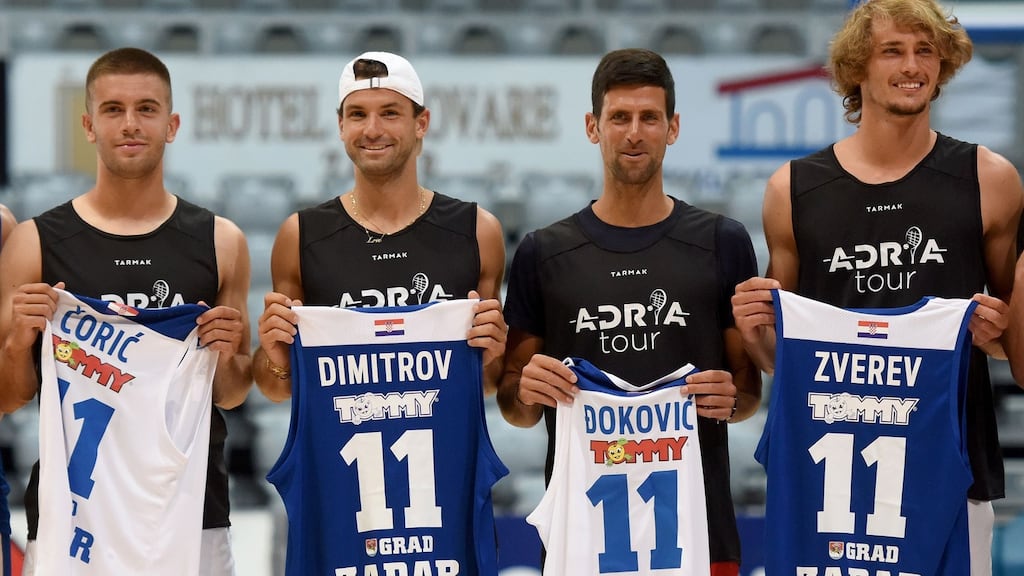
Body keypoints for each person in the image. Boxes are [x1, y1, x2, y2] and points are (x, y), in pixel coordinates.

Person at [731, 0, 1024, 572]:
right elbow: (781, 358)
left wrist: (996, 332)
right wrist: (753, 332)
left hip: (951, 467)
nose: (912, 65)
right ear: (857, 66)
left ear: (943, 68)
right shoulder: (792, 189)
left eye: (926, 53)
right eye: (893, 50)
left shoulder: (990, 179)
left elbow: (1012, 349)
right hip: (829, 475)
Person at [497, 48, 762, 575]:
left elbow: (746, 393)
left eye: (649, 118)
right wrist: (527, 388)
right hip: (583, 539)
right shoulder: (542, 252)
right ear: (594, 127)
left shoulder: (722, 242)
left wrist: (732, 400)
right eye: (619, 118)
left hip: (699, 533)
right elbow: (515, 406)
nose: (634, 133)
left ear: (673, 127)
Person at [0, 47, 252, 575]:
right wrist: (18, 341)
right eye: (113, 110)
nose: (130, 124)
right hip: (73, 517)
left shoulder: (220, 242)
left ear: (172, 123)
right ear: (89, 126)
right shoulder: (36, 243)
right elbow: (7, 396)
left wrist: (229, 353)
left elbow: (231, 392)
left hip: (193, 512)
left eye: (147, 108)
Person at [254, 50, 506, 399]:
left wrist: (491, 358)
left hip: (443, 451)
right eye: (358, 115)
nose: (372, 130)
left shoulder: (478, 230)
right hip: (342, 451)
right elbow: (276, 390)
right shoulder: (300, 235)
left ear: (421, 123)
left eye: (389, 113)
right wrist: (277, 358)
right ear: (341, 126)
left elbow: (489, 384)